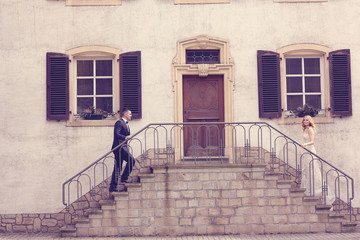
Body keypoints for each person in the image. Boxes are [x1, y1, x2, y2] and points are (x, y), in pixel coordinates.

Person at [109, 108, 136, 192]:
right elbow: (116, 134)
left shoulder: (126, 124)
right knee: (132, 160)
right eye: (130, 114)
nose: (131, 116)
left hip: (123, 147)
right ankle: (124, 178)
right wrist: (124, 137)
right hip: (119, 147)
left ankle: (113, 187)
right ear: (125, 114)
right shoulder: (119, 122)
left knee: (118, 167)